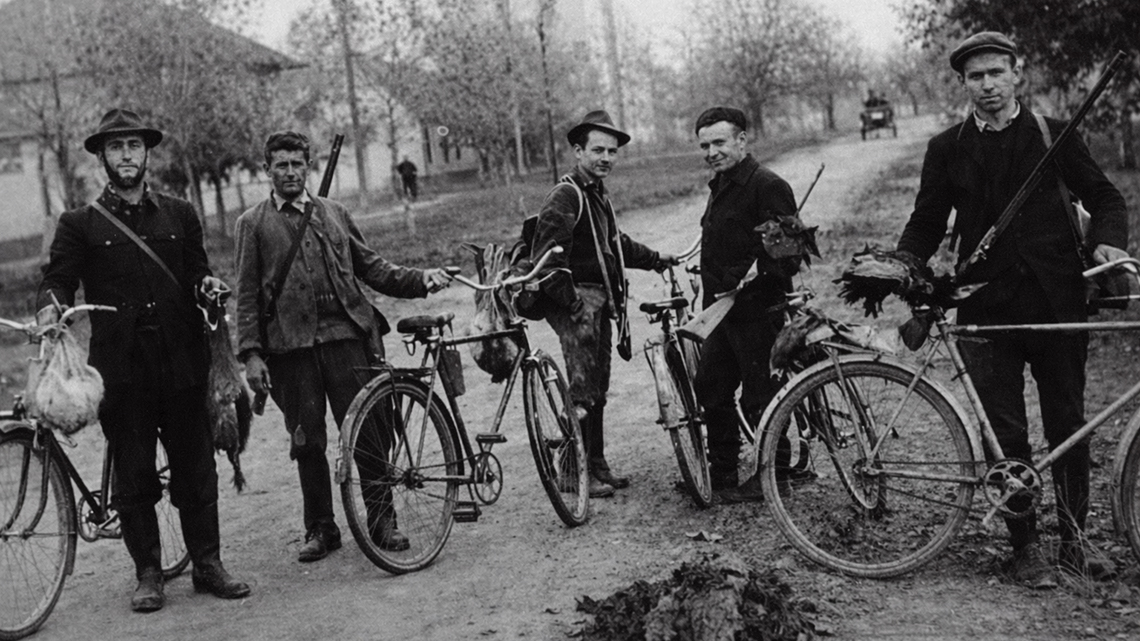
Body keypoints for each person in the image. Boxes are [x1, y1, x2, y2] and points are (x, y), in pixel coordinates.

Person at [896, 31, 1129, 587]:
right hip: (984, 308)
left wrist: (1108, 243)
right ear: (964, 84)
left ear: (1016, 74)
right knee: (1004, 433)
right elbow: (927, 221)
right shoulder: (946, 147)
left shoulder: (1054, 134)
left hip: (1057, 302)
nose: (988, 85)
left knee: (1069, 424)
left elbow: (1105, 198)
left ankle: (1075, 542)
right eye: (976, 77)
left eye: (997, 73)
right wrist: (903, 264)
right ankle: (1025, 546)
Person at [37, 108, 250, 612]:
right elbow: (58, 278)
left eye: (133, 145)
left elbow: (198, 269)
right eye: (116, 148)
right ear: (102, 158)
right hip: (123, 372)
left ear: (146, 152)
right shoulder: (79, 225)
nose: (126, 155)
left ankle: (208, 564)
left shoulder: (179, 214)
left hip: (182, 363)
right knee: (133, 479)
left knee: (196, 470)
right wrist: (52, 304)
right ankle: (148, 574)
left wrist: (208, 284)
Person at [235, 132, 451, 563]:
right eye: (281, 165)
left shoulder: (334, 213)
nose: (291, 172)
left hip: (347, 339)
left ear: (308, 165)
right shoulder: (253, 224)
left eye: (297, 163)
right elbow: (245, 296)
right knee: (307, 441)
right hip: (291, 349)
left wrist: (422, 279)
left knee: (371, 432)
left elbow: (373, 268)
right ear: (267, 170)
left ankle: (381, 520)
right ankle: (320, 528)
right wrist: (252, 353)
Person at [529, 110, 677, 498]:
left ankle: (596, 463)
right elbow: (548, 256)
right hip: (578, 303)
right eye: (597, 150)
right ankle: (570, 471)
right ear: (578, 151)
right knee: (581, 391)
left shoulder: (598, 195)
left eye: (612, 151)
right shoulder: (567, 194)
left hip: (601, 302)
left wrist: (656, 258)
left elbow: (617, 245)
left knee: (598, 387)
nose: (606, 158)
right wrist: (572, 303)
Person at [691, 106, 801, 504]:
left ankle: (776, 477)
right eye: (705, 145)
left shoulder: (766, 184)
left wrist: (749, 273)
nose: (712, 152)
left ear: (742, 140)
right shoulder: (721, 185)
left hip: (758, 311)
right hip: (720, 314)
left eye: (720, 142)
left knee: (761, 395)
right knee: (711, 388)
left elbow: (788, 250)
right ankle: (721, 475)